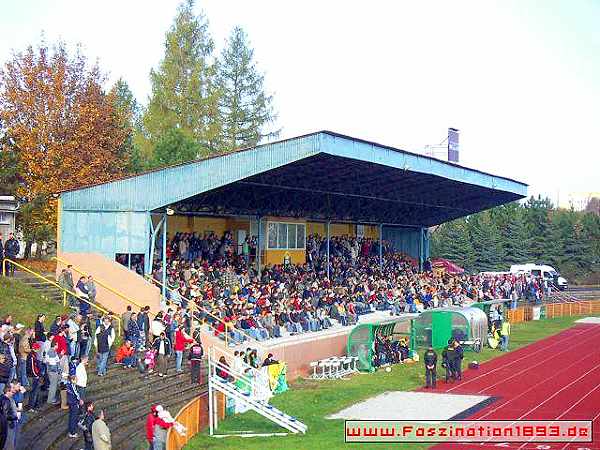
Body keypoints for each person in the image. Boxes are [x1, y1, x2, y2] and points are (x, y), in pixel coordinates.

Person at [0, 384, 18, 449]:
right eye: (11, 391)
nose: (13, 393)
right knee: (3, 439)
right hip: (3, 424)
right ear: (7, 391)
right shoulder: (6, 401)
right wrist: (14, 418)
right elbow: (5, 415)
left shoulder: (1, 397)